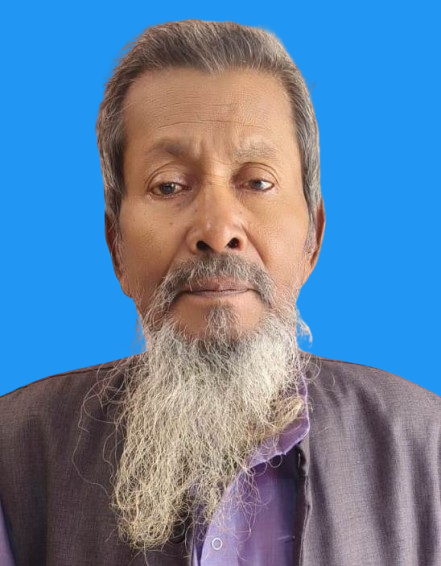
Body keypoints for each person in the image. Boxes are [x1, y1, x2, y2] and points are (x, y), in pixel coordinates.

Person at [0, 19, 439, 566]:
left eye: (257, 182)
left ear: (313, 238)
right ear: (116, 247)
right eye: (168, 185)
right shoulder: (13, 455)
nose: (217, 228)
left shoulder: (427, 448)